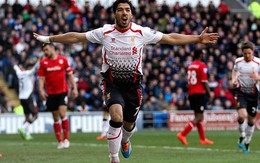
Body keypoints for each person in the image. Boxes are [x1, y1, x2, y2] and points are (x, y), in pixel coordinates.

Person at [33, 0, 219, 161]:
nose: (124, 13)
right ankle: (114, 159)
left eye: (127, 10)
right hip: (112, 83)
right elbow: (76, 36)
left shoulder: (141, 32)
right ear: (114, 13)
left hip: (133, 85)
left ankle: (125, 140)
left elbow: (170, 38)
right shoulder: (104, 32)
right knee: (116, 116)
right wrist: (49, 38)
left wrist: (197, 39)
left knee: (128, 125)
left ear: (131, 14)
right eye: (121, 9)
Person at [37, 43, 78, 149]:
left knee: (62, 113)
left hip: (62, 92)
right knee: (55, 117)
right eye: (44, 50)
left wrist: (74, 87)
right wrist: (41, 90)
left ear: (52, 48)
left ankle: (66, 139)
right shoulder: (43, 62)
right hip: (50, 93)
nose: (45, 52)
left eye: (46, 49)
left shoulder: (63, 60)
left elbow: (70, 75)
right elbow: (41, 78)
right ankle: (60, 141)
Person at [177, 49, 214, 145]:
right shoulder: (202, 65)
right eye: (203, 54)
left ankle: (203, 139)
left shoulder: (190, 66)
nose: (204, 56)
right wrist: (209, 94)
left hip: (191, 93)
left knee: (198, 116)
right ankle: (182, 134)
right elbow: (204, 82)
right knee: (199, 117)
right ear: (200, 55)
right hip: (199, 93)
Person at [232, 41, 260, 154]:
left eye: (249, 53)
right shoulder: (238, 62)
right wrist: (233, 79)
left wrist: (257, 77)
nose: (247, 56)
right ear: (242, 53)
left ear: (252, 52)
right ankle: (242, 134)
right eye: (245, 54)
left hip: (253, 94)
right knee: (242, 115)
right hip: (241, 92)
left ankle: (247, 142)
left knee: (251, 120)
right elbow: (234, 71)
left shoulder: (258, 63)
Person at [14, 61, 40, 141]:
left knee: (27, 116)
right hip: (28, 97)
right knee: (35, 115)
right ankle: (23, 128)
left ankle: (27, 134)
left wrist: (15, 65)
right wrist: (40, 60)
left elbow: (15, 67)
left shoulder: (19, 73)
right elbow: (36, 67)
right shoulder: (28, 73)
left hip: (21, 98)